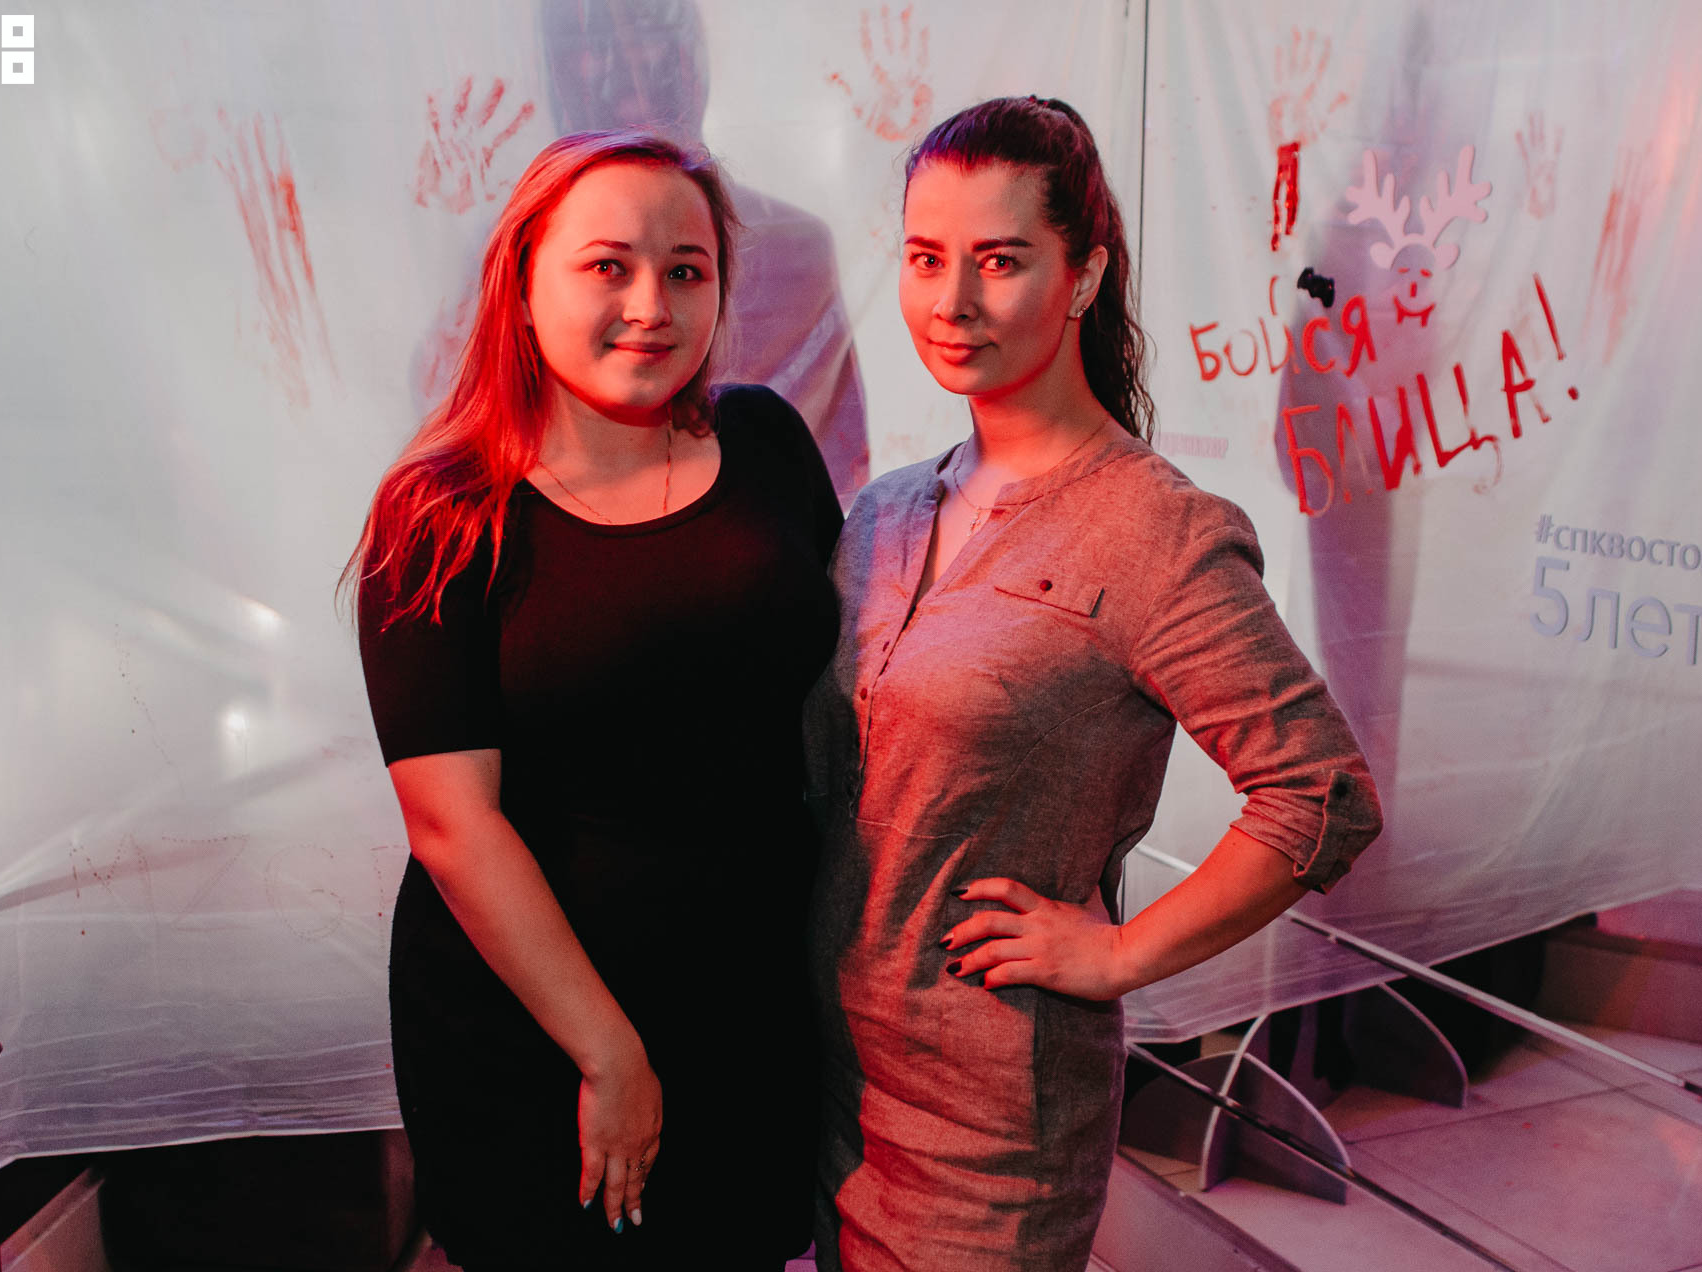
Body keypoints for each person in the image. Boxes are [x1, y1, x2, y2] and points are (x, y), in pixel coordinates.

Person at [804, 97, 1384, 1271]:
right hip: (829, 1091)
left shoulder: (1153, 531)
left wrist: (1119, 956)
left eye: (1000, 260)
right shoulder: (883, 513)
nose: (952, 302)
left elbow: (1320, 794)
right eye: (925, 258)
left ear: (1083, 276)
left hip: (988, 1134)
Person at [348, 130, 841, 1269]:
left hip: (750, 996)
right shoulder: (441, 512)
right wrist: (610, 1056)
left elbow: (842, 693)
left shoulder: (766, 442)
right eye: (607, 266)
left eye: (686, 269)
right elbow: (452, 826)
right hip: (537, 1026)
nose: (651, 306)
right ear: (523, 286)